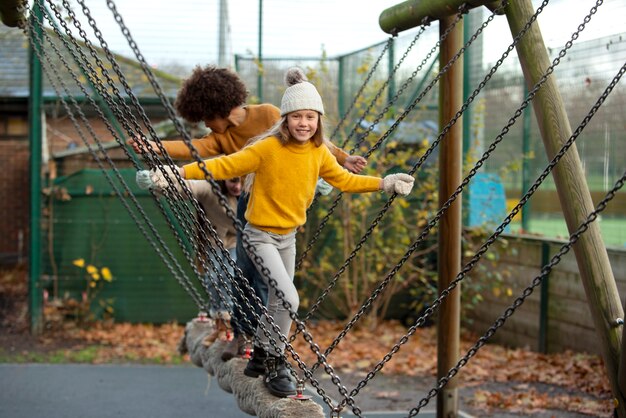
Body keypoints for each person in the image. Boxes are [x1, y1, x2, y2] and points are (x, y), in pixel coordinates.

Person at [147, 67, 414, 397]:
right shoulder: (266, 148)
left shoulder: (318, 153)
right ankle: (274, 362)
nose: (304, 123)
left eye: (310, 117)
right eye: (297, 117)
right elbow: (222, 165)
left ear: (318, 121)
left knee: (279, 299)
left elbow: (345, 181)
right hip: (259, 234)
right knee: (288, 297)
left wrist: (384, 183)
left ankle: (261, 354)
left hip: (289, 237)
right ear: (284, 119)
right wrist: (176, 174)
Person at [128, 65, 368, 361]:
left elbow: (313, 134)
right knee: (245, 271)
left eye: (206, 118)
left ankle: (263, 341)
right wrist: (153, 147)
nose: (206, 125)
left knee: (271, 282)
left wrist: (343, 158)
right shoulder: (220, 138)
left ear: (218, 109)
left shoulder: (267, 115)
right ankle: (242, 334)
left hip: (281, 190)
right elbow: (194, 150)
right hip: (249, 199)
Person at [136, 170, 243, 344]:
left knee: (229, 277)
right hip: (212, 241)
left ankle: (226, 325)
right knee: (212, 278)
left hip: (235, 241)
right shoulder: (210, 189)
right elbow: (186, 187)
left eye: (240, 182)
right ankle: (218, 323)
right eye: (232, 182)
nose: (237, 187)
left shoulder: (251, 192)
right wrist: (155, 182)